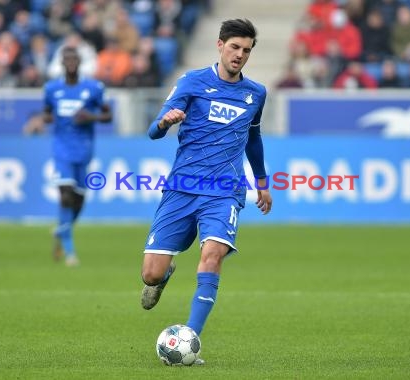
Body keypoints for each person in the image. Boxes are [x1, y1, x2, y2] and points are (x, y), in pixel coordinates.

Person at [139, 18, 272, 363]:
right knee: (150, 272)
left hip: (224, 191)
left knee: (212, 255)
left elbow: (254, 139)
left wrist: (261, 182)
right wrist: (166, 122)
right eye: (234, 47)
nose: (239, 55)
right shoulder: (192, 81)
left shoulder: (255, 93)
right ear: (220, 45)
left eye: (246, 50)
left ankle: (190, 338)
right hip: (182, 188)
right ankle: (163, 275)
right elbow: (153, 131)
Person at [43, 46, 112, 266]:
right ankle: (70, 252)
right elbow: (46, 112)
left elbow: (108, 115)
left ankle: (62, 229)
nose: (71, 63)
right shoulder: (52, 89)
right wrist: (44, 119)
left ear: (79, 62)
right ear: (62, 63)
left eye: (75, 59)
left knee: (79, 199)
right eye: (67, 59)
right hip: (61, 148)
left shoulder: (93, 88)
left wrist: (89, 116)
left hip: (84, 149)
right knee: (65, 194)